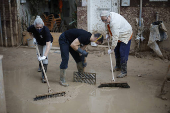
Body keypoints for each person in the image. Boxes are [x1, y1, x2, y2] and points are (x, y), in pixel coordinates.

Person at [100, 11, 133, 78]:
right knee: (117, 51)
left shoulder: (114, 22)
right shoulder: (107, 18)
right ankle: (118, 66)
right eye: (103, 20)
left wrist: (112, 49)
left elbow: (115, 38)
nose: (104, 22)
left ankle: (124, 71)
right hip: (118, 34)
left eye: (105, 20)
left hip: (125, 35)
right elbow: (106, 24)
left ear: (109, 17)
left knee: (122, 52)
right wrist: (107, 33)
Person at [27, 16, 53, 83]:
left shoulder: (46, 30)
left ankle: (43, 77)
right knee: (39, 55)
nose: (39, 29)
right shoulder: (32, 27)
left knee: (44, 59)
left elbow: (48, 45)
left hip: (46, 43)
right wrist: (33, 38)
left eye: (40, 27)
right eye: (37, 27)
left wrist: (45, 56)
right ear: (35, 26)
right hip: (38, 43)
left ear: (43, 26)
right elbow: (29, 31)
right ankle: (40, 65)